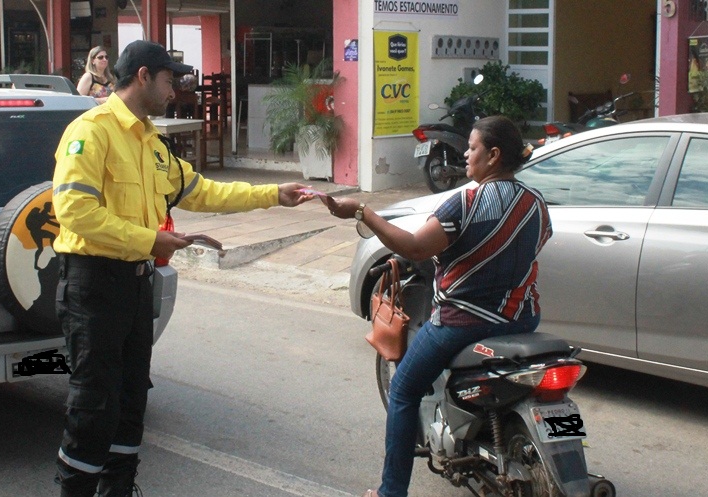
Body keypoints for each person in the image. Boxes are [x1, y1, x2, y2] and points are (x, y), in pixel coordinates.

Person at [51, 40, 313, 497]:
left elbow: (201, 191)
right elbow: (76, 213)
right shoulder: (91, 131)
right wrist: (150, 239)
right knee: (94, 405)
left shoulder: (153, 142)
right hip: (93, 286)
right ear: (144, 76)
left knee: (132, 401)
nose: (175, 90)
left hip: (136, 286)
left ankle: (119, 490)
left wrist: (273, 194)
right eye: (170, 79)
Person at [327, 115, 552, 497]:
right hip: (522, 320)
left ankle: (390, 492)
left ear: (493, 155)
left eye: (473, 147)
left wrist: (364, 213)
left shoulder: (464, 202)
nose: (466, 154)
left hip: (462, 323)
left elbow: (415, 247)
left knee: (402, 389)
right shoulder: (536, 204)